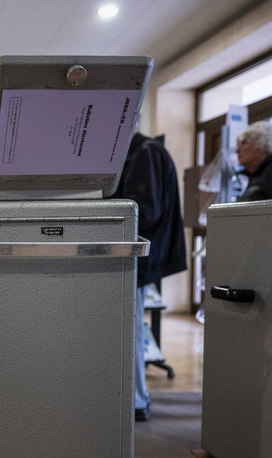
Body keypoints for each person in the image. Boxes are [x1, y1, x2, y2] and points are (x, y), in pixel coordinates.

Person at [113, 132, 187, 421]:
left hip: (138, 258)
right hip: (140, 257)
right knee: (129, 329)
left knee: (129, 331)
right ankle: (134, 399)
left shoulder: (145, 152)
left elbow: (144, 211)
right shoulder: (143, 151)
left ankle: (136, 402)